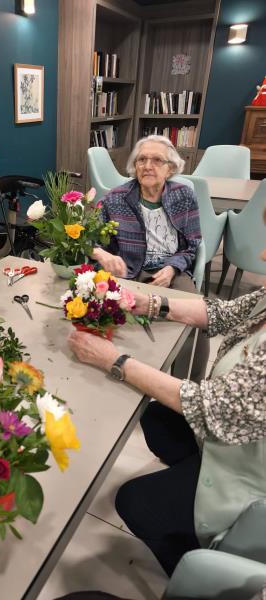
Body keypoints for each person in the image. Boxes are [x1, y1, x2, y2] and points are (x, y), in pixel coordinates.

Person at [68, 227, 266, 576]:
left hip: (252, 474)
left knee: (134, 502)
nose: (262, 255)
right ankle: (190, 472)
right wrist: (149, 303)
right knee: (156, 416)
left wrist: (115, 361)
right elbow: (223, 312)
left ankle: (205, 573)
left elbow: (209, 407)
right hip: (235, 433)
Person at [92, 134, 208, 381]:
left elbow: (192, 245)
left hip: (171, 271)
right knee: (106, 318)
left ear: (170, 168)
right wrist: (101, 253)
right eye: (142, 159)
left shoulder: (184, 196)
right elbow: (88, 238)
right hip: (129, 270)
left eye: (157, 160)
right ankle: (121, 378)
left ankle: (188, 387)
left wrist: (173, 268)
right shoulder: (115, 198)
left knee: (197, 319)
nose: (147, 166)